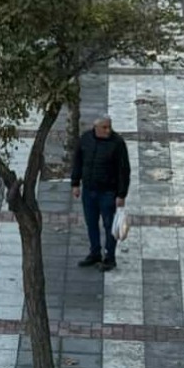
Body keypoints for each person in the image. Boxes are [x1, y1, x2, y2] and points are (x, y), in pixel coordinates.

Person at [71, 115, 131, 271]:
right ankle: (94, 253)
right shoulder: (85, 139)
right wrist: (75, 183)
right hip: (89, 191)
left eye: (109, 127)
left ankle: (109, 257)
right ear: (95, 127)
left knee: (109, 225)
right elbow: (78, 161)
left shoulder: (117, 143)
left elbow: (123, 170)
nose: (108, 130)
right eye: (104, 127)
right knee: (91, 223)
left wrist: (121, 194)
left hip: (108, 193)